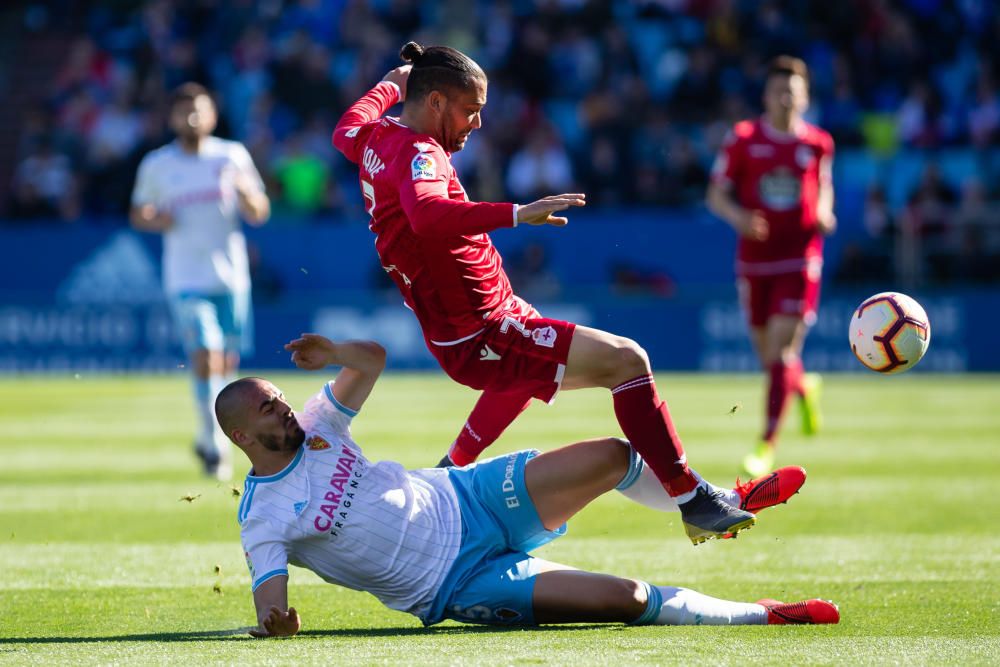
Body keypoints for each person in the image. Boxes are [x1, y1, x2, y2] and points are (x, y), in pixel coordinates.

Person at [332, 41, 755, 546]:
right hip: (481, 327)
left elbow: (344, 131)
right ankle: (692, 499)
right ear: (437, 102)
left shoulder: (379, 136)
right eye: (471, 110)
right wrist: (516, 212)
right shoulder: (420, 151)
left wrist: (393, 84)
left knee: (526, 378)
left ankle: (448, 474)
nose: (478, 123)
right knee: (628, 361)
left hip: (480, 321)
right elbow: (425, 215)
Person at [214, 333, 838, 636]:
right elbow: (269, 601)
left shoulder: (320, 422)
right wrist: (277, 625)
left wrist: (334, 353)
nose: (284, 409)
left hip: (468, 497)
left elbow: (370, 359)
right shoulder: (263, 516)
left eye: (278, 398)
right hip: (455, 584)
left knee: (613, 455)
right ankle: (764, 615)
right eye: (268, 409)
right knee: (625, 599)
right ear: (242, 438)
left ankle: (705, 501)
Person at [131, 82, 271, 479]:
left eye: (199, 109)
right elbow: (138, 212)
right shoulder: (158, 163)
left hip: (230, 278)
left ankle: (209, 432)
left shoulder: (231, 155)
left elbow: (260, 211)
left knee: (225, 364)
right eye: (184, 110)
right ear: (172, 118)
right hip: (185, 278)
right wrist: (155, 217)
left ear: (212, 114)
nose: (192, 117)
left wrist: (245, 194)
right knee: (206, 356)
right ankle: (215, 446)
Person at [706, 56, 836, 477]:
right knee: (771, 358)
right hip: (755, 260)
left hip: (800, 258)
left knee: (780, 351)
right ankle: (804, 384)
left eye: (793, 91)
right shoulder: (743, 139)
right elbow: (716, 195)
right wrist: (740, 218)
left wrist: (825, 213)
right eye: (779, 90)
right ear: (766, 95)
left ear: (804, 97)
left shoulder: (817, 143)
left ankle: (765, 445)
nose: (785, 98)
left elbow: (824, 187)